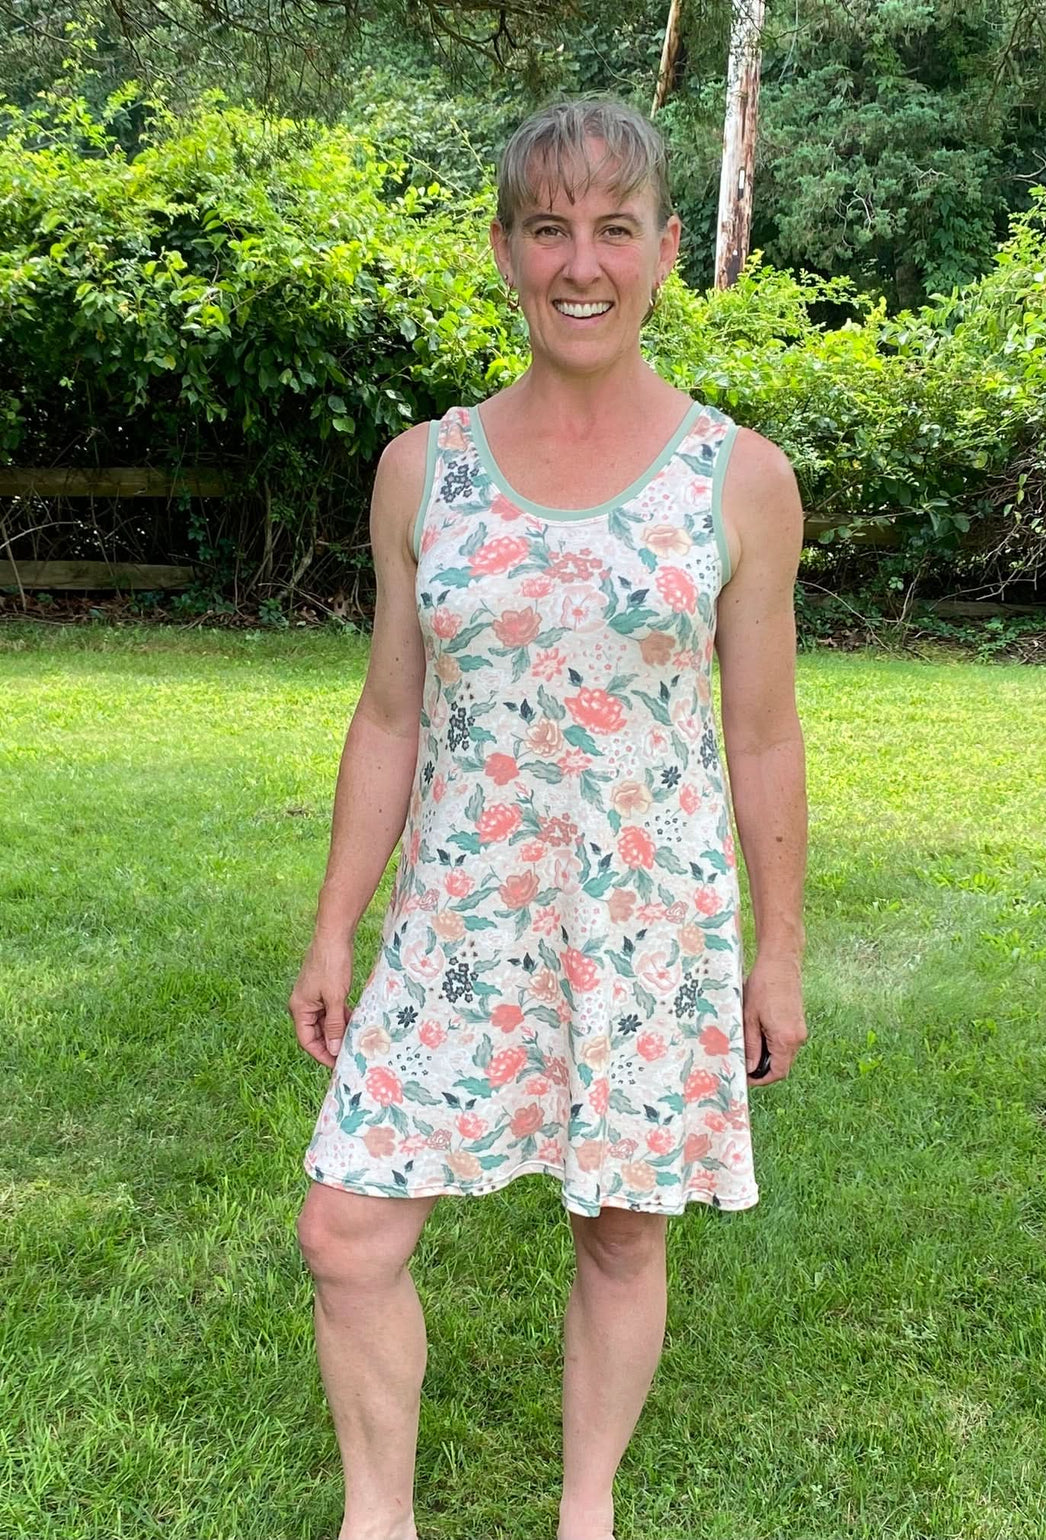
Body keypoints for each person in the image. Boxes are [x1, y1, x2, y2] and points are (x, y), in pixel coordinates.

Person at [289, 96, 808, 1540]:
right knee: (346, 1226)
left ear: (661, 252)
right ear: (509, 253)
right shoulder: (424, 468)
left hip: (645, 925)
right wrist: (336, 927)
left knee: (622, 1230)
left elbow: (762, 735)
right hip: (459, 919)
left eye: (615, 228)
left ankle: (588, 1516)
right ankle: (376, 1518)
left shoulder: (739, 480)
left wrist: (778, 957)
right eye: (548, 228)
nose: (583, 260)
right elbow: (389, 714)